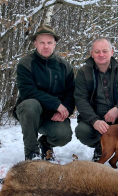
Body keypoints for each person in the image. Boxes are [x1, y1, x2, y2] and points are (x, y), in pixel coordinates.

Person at [14, 25, 75, 160]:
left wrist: (64, 111)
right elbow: (28, 91)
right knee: (30, 105)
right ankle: (32, 153)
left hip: (53, 115)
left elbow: (71, 93)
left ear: (54, 44)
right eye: (42, 42)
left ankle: (46, 143)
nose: (45, 46)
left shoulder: (64, 66)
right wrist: (56, 104)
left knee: (63, 135)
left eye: (49, 42)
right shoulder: (26, 63)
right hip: (31, 112)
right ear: (35, 44)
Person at [74, 37, 118, 161]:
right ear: (92, 54)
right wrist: (94, 121)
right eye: (97, 51)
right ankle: (101, 148)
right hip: (96, 117)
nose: (101, 54)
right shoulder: (83, 72)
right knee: (82, 131)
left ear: (112, 52)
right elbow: (80, 99)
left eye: (105, 51)